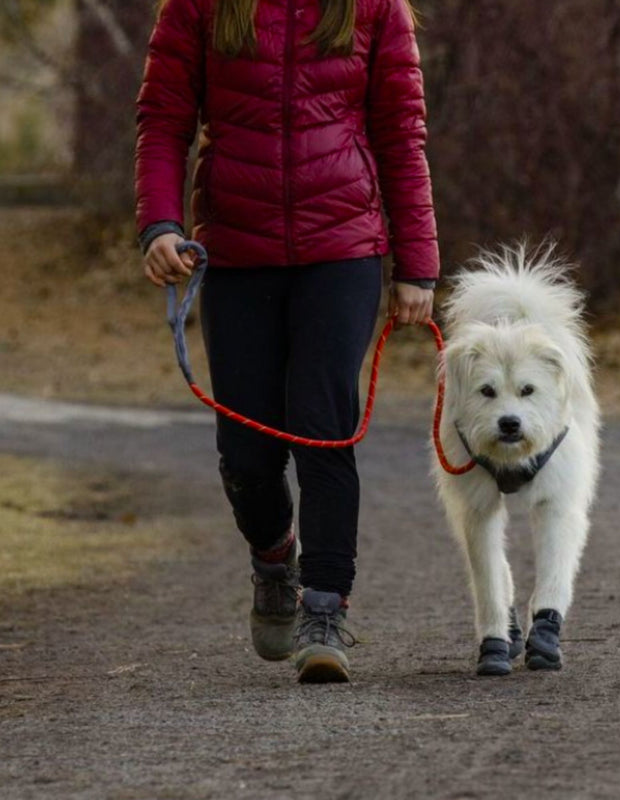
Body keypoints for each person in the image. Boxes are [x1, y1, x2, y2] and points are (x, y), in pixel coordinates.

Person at [135, 0, 439, 683]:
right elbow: (163, 122)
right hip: (237, 254)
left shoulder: (373, 8)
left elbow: (400, 134)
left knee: (322, 423)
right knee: (247, 453)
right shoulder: (200, 7)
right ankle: (274, 558)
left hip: (343, 249)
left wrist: (417, 264)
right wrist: (159, 224)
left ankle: (324, 608)